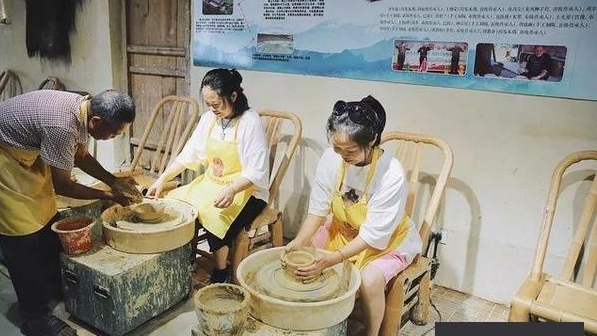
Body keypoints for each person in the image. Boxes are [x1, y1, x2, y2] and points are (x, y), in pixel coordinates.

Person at [0, 89, 138, 336]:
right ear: (96, 121)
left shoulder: (84, 109)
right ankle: (33, 316)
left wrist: (114, 181)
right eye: (113, 133)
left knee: (48, 219)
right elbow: (64, 186)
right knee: (20, 235)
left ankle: (51, 284)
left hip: (22, 151)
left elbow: (81, 156)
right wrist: (109, 195)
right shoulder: (63, 125)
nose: (113, 137)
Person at [286, 96, 421, 336]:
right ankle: (312, 320)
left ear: (372, 140)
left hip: (385, 242)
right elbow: (318, 209)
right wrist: (298, 242)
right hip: (343, 230)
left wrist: (329, 260)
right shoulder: (331, 159)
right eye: (337, 147)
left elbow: (372, 236)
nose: (342, 155)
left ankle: (372, 331)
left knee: (369, 280)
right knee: (302, 256)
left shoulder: (391, 173)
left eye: (350, 150)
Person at [148, 68, 269, 283]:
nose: (212, 109)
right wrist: (161, 179)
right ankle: (187, 259)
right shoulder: (208, 120)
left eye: (216, 104)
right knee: (177, 202)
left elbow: (256, 170)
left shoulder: (250, 121)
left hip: (245, 189)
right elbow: (188, 155)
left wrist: (232, 189)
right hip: (212, 182)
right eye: (208, 104)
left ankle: (221, 271)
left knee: (214, 215)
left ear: (233, 96)